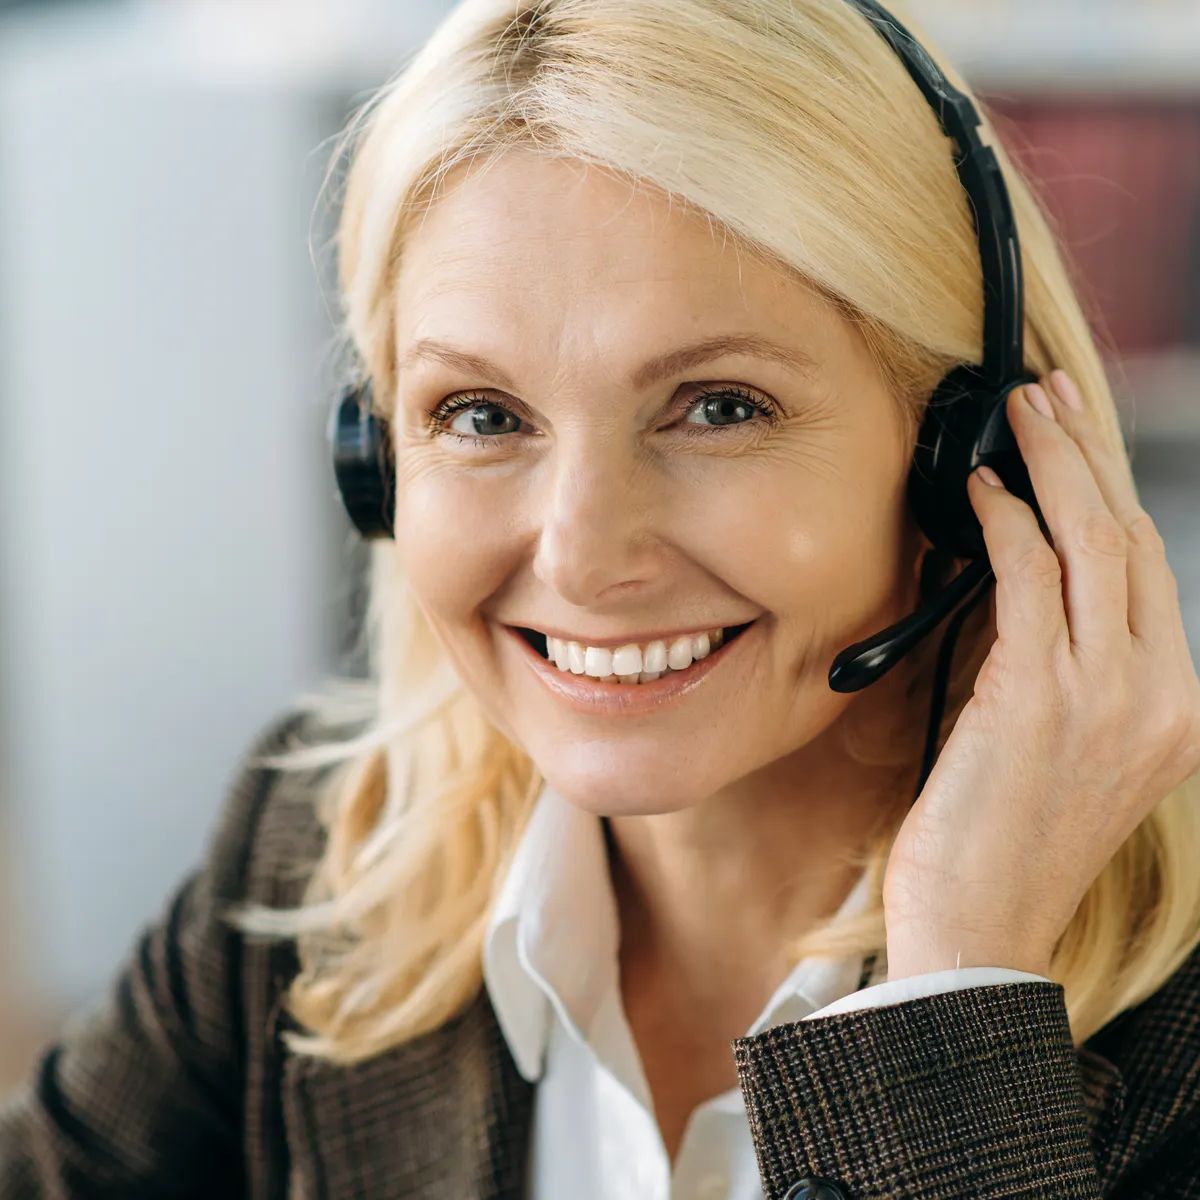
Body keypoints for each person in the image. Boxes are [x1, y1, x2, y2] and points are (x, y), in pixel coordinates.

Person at [3, 0, 1200, 1197]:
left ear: (970, 455)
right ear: (378, 463)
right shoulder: (311, 857)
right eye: (480, 415)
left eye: (720, 405)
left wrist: (959, 990)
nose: (579, 559)